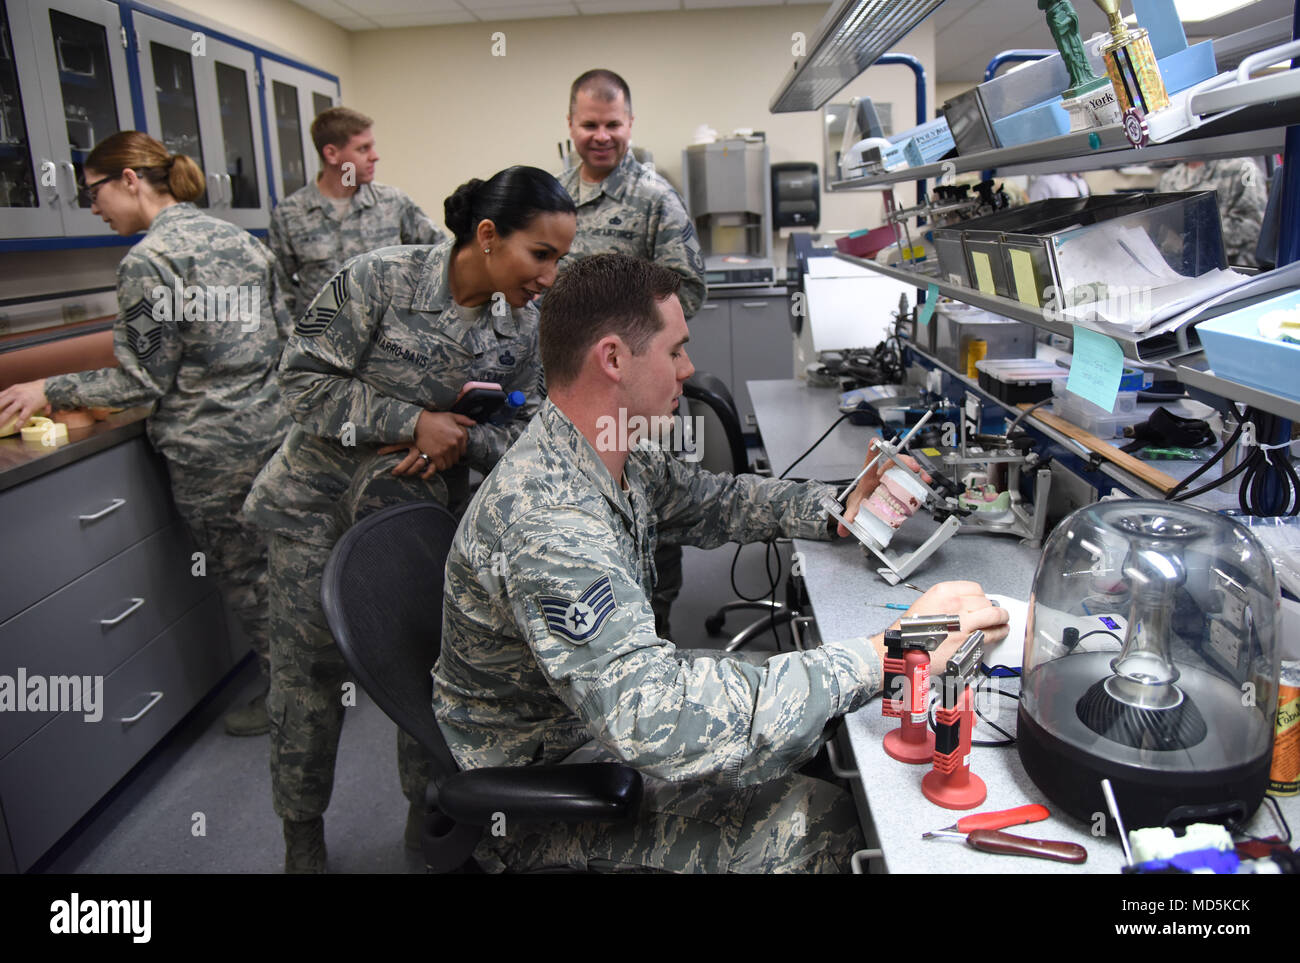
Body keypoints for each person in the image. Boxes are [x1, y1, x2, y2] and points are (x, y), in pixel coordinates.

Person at [435, 253, 1010, 873]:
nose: (688, 369)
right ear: (612, 359)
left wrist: (841, 507)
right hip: (555, 790)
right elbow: (653, 719)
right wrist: (891, 651)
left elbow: (719, 501)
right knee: (830, 825)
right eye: (676, 350)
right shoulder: (552, 524)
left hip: (594, 724)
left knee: (808, 716)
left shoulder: (602, 447)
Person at [242, 166, 576, 873]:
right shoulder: (378, 280)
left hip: (417, 518)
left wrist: (460, 438)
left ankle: (426, 818)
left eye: (559, 259)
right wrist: (410, 420)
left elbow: (529, 426)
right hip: (317, 509)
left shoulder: (525, 325)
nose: (549, 275)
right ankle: (301, 838)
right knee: (308, 679)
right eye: (540, 254)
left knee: (426, 669)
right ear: (487, 237)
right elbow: (301, 382)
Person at [0, 131, 291, 738]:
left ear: (130, 179)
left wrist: (49, 390)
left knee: (248, 580)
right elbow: (285, 340)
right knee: (284, 567)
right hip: (273, 434)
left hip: (211, 453)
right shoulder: (240, 241)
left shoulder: (149, 262)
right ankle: (319, 680)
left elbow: (141, 384)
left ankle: (289, 705)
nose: (93, 207)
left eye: (94, 192)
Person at [560, 68, 708, 640]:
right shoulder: (557, 195)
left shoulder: (653, 198)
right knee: (588, 513)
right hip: (579, 390)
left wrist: (618, 315)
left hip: (640, 392)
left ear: (630, 124)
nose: (602, 135)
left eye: (612, 124)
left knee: (653, 511)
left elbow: (688, 289)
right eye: (589, 124)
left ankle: (656, 627)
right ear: (571, 124)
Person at [268, 106, 446, 319]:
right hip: (323, 344)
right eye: (363, 149)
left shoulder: (393, 203)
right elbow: (278, 290)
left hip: (388, 341)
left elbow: (441, 256)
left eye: (373, 147)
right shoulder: (291, 214)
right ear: (332, 154)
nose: (375, 156)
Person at [1157, 158, 1268, 268]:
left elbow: (1253, 226)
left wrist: (1192, 237)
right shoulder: (1168, 179)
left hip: (1231, 271)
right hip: (1179, 271)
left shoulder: (1242, 168)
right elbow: (1158, 230)